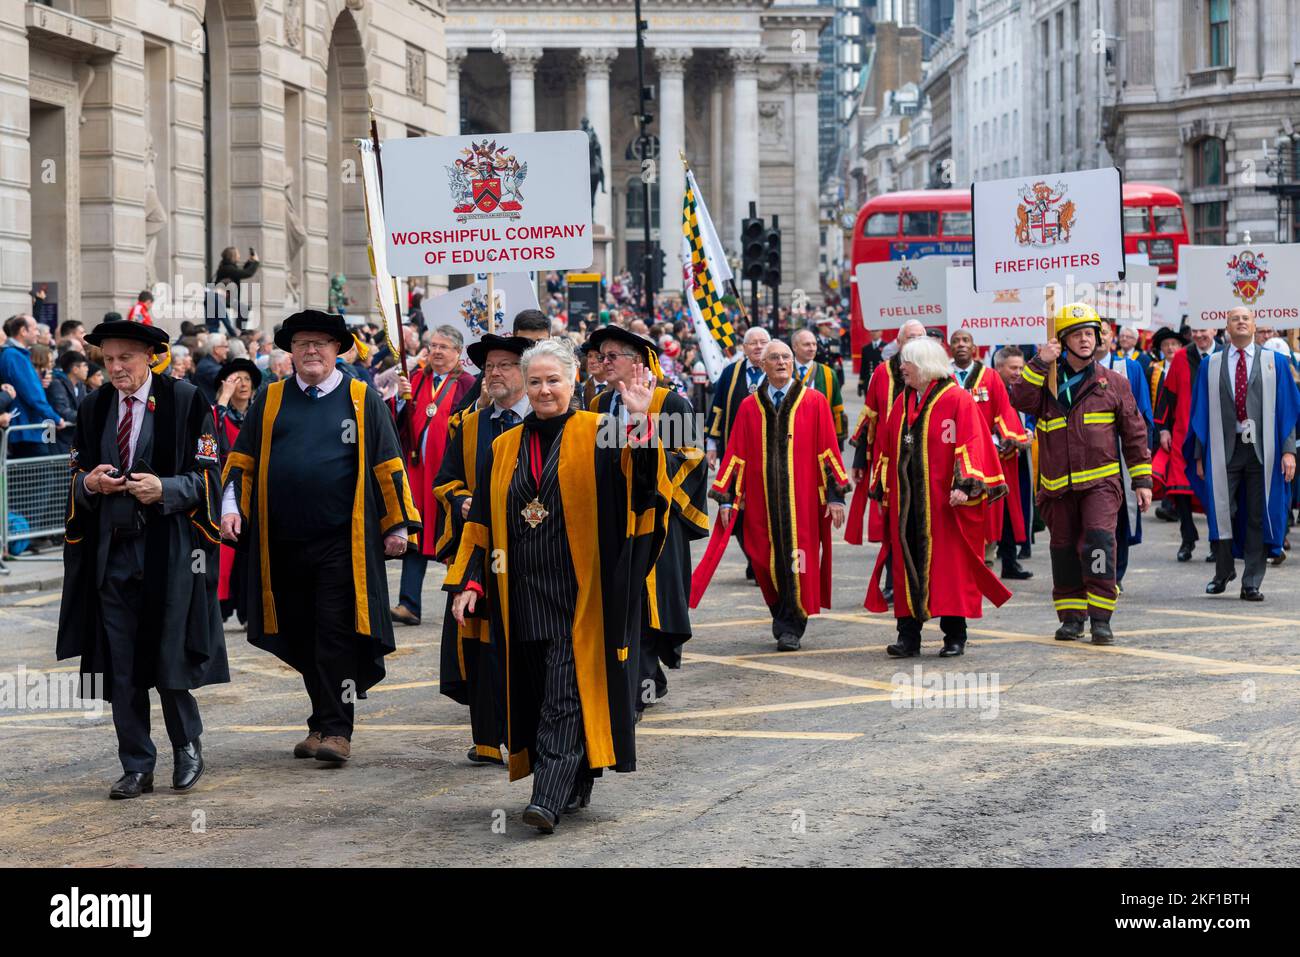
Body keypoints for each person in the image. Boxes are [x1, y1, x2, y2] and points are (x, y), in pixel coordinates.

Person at [446, 338, 672, 833]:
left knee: (564, 693)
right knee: (538, 689)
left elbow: (644, 490)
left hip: (580, 593)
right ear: (525, 387)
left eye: (554, 380)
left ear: (574, 382)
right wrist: (471, 582)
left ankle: (544, 797)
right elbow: (482, 521)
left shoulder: (602, 431)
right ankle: (579, 775)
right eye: (536, 381)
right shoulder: (503, 447)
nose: (545, 390)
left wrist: (639, 425)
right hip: (521, 592)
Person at [219, 310, 420, 764]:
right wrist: (232, 509)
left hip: (341, 543)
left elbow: (387, 462)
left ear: (337, 350)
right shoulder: (270, 400)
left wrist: (397, 523)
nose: (312, 350)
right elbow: (242, 461)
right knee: (299, 632)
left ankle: (336, 729)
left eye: (322, 343)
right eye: (303, 343)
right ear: (290, 352)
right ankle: (319, 720)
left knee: (334, 631)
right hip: (281, 543)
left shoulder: (360, 397)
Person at [56, 319, 227, 799]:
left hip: (169, 552)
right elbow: (74, 474)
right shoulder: (92, 408)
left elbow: (211, 477)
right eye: (107, 359)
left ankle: (187, 746)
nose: (114, 368)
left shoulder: (187, 401)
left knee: (169, 654)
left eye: (124, 358)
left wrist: (165, 488)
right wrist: (90, 484)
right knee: (121, 662)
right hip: (111, 553)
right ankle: (136, 763)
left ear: (150, 356)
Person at [1008, 303, 1153, 645]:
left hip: (1101, 485)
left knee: (1100, 543)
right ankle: (1072, 618)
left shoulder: (1113, 383)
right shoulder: (1046, 382)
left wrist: (1142, 481)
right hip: (1057, 486)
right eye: (1077, 334)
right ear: (1062, 341)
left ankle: (1101, 619)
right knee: (1063, 550)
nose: (1086, 340)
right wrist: (1040, 362)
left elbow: (1134, 433)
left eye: (1090, 333)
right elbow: (1019, 399)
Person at [587, 326, 708, 714]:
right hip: (610, 521)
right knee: (620, 601)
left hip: (655, 522)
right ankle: (644, 676)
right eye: (600, 357)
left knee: (646, 603)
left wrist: (642, 429)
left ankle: (639, 689)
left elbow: (690, 460)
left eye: (611, 357)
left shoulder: (669, 404)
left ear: (636, 362)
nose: (603, 363)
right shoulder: (598, 406)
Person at [866, 337, 1012, 656]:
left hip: (944, 503)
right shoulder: (903, 402)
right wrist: (882, 488)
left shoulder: (957, 398)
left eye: (908, 362)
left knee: (950, 569)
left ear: (926, 365)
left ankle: (955, 635)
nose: (901, 367)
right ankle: (908, 637)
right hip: (908, 503)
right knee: (906, 567)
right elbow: (886, 446)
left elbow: (973, 442)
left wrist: (965, 484)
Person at [704, 339, 848, 651]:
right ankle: (780, 612)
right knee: (762, 559)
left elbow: (828, 450)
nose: (781, 362)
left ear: (793, 362)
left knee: (800, 563)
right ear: (763, 365)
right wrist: (728, 498)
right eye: (774, 358)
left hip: (804, 503)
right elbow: (736, 454)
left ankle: (791, 625)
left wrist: (836, 496)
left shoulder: (814, 401)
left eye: (785, 356)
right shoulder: (749, 406)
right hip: (761, 502)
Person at [431, 334, 532, 765]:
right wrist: (459, 500)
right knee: (481, 640)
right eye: (489, 366)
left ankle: (527, 733)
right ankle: (488, 738)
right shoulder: (470, 424)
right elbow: (445, 480)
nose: (494, 373)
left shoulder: (548, 419)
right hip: (482, 547)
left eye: (505, 365)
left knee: (526, 640)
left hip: (532, 549)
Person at [1188, 307, 1300, 601]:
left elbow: (1287, 412)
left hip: (1263, 451)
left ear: (1254, 326)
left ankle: (1252, 581)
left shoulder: (1274, 362)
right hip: (1223, 447)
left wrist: (1289, 452)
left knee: (1256, 513)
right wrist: (1199, 455)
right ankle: (1223, 571)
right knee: (1222, 510)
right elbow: (1200, 412)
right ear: (1226, 326)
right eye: (1234, 318)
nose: (1240, 322)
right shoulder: (1211, 365)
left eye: (1245, 318)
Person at [390, 324, 476, 626]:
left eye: (443, 347)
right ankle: (408, 604)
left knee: (451, 536)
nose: (437, 352)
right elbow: (398, 422)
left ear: (458, 352)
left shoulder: (468, 384)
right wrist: (401, 400)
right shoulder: (415, 378)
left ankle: (463, 599)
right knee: (415, 535)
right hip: (417, 473)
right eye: (433, 346)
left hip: (448, 477)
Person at [845, 320, 927, 603]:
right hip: (889, 459)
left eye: (920, 336)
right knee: (895, 521)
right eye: (910, 337)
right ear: (900, 341)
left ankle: (927, 582)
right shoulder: (882, 372)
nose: (915, 341)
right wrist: (859, 459)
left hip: (927, 459)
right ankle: (894, 582)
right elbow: (870, 416)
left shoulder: (938, 372)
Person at [948, 329, 1031, 567]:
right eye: (956, 341)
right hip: (952, 453)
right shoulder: (943, 376)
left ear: (974, 346)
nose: (961, 345)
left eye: (966, 341)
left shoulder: (990, 376)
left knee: (994, 506)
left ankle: (993, 554)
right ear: (950, 347)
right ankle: (958, 554)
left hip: (987, 453)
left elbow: (1003, 409)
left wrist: (1005, 438)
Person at [1095, 323, 1155, 585]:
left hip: (1120, 451)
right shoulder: (1065, 370)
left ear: (1113, 338)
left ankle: (1116, 574)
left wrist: (1144, 452)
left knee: (1121, 514)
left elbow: (1142, 412)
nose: (1096, 339)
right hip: (1088, 456)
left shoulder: (1129, 368)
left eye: (1102, 333)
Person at [1154, 327, 1220, 562]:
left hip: (1216, 436)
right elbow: (1167, 395)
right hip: (1183, 433)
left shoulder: (1225, 354)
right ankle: (1188, 537)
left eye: (1205, 330)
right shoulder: (1182, 357)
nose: (1201, 335)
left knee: (1215, 491)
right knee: (1179, 488)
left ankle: (1217, 542)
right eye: (1197, 330)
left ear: (1215, 330)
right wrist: (1163, 429)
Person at [213, 357, 261, 625]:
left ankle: (250, 609)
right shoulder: (216, 413)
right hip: (224, 490)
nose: (242, 384)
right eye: (236, 379)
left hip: (253, 489)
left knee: (252, 553)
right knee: (226, 551)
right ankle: (221, 606)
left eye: (246, 378)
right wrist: (223, 399)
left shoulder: (259, 411)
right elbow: (210, 435)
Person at [992, 346, 1035, 579]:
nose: (1019, 372)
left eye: (1021, 367)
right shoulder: (987, 388)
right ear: (999, 367)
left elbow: (1031, 416)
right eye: (1013, 368)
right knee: (992, 512)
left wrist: (1029, 431)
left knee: (1012, 511)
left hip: (1016, 458)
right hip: (993, 458)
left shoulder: (1022, 389)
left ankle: (1009, 562)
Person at [0, 314, 66, 455]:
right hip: (27, 430)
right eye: (35, 328)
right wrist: (56, 418)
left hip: (30, 429)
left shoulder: (18, 354)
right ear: (23, 331)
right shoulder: (14, 355)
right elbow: (32, 395)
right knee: (41, 474)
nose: (37, 332)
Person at [792, 328, 847, 446]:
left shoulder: (829, 373)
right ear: (795, 347)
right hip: (791, 435)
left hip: (820, 435)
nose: (812, 348)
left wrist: (839, 439)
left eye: (814, 344)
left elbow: (837, 408)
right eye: (807, 344)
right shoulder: (784, 370)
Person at [208, 246, 259, 335]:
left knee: (243, 309)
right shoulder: (228, 268)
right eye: (238, 254)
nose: (239, 256)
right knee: (244, 309)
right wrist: (256, 262)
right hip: (224, 299)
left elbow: (242, 271)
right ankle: (240, 332)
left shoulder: (227, 267)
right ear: (233, 256)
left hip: (226, 299)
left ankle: (239, 331)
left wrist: (250, 262)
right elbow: (247, 273)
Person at [47, 350, 88, 453]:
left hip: (74, 439)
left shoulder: (81, 386)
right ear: (75, 369)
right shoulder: (57, 384)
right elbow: (62, 410)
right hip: (59, 440)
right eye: (84, 366)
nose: (87, 369)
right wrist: (85, 416)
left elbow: (87, 407)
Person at [193, 334, 230, 406]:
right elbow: (229, 382)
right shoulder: (209, 367)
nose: (228, 350)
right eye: (226, 346)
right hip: (209, 409)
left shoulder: (210, 363)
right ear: (216, 349)